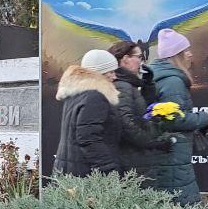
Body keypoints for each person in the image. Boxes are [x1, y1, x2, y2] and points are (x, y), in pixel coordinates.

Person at [146, 28, 208, 206]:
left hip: (167, 151)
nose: (190, 54)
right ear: (176, 55)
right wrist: (204, 118)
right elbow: (175, 119)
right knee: (181, 200)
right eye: (186, 51)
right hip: (173, 152)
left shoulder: (160, 76)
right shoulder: (173, 82)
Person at [108, 40, 174, 182]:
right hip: (131, 160)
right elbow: (126, 124)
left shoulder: (129, 84)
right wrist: (150, 141)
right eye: (139, 57)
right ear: (125, 59)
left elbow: (143, 111)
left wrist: (148, 85)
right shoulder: (121, 86)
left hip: (135, 158)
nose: (142, 62)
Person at [53, 49, 124, 177]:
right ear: (99, 73)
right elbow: (89, 138)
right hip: (86, 173)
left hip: (72, 169)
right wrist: (110, 171)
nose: (114, 77)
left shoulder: (77, 93)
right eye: (111, 72)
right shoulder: (94, 97)